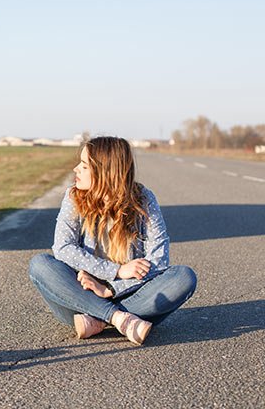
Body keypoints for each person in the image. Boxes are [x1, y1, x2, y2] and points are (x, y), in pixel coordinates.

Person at [28, 137, 197, 345]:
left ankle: (97, 320)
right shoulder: (73, 197)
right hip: (80, 298)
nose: (75, 169)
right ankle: (117, 318)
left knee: (183, 277)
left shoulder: (144, 199)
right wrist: (115, 271)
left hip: (133, 296)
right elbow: (63, 248)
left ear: (105, 172)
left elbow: (159, 260)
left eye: (83, 165)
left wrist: (110, 288)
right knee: (40, 265)